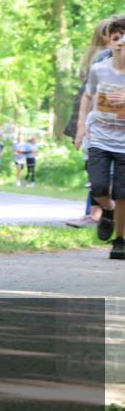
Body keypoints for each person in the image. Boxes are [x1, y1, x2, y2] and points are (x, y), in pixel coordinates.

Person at [74, 13, 125, 260]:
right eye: (115, 38)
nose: (120, 43)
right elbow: (87, 95)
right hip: (100, 136)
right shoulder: (100, 66)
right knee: (99, 185)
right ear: (108, 42)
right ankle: (108, 211)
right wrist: (81, 127)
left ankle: (120, 240)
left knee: (122, 191)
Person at [66, 18, 114, 228]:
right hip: (97, 118)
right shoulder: (102, 57)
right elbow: (90, 94)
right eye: (113, 35)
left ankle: (99, 213)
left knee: (105, 172)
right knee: (97, 170)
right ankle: (96, 213)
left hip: (105, 119)